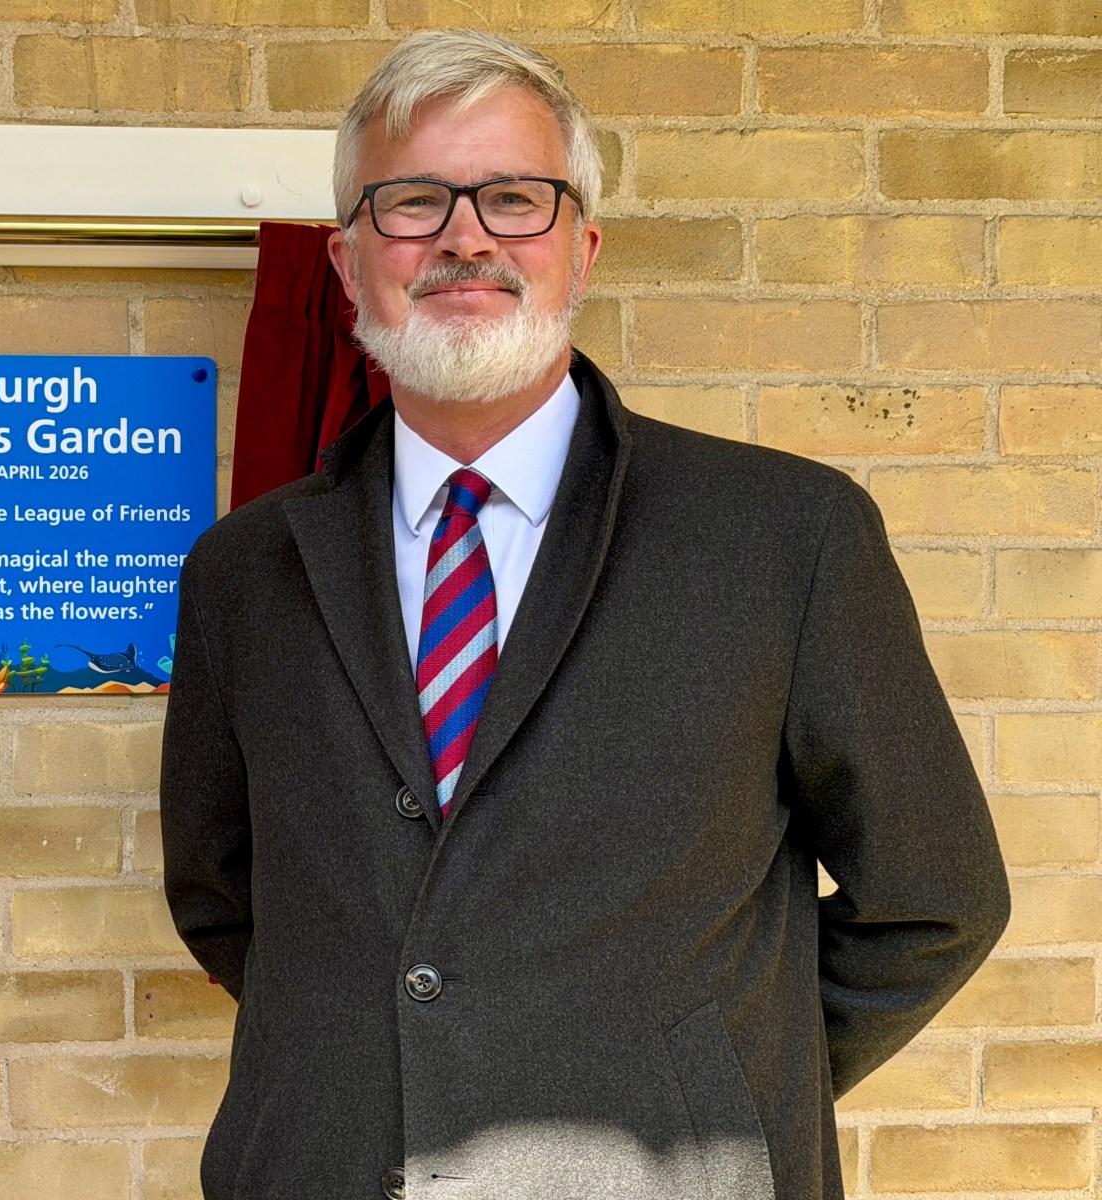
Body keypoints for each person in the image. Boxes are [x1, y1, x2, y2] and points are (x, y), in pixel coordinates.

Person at [160, 30, 1009, 1200]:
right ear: (347, 263)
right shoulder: (240, 572)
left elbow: (935, 900)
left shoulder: (784, 538)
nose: (464, 235)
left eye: (513, 198)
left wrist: (708, 1077)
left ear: (580, 249)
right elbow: (220, 897)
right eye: (411, 202)